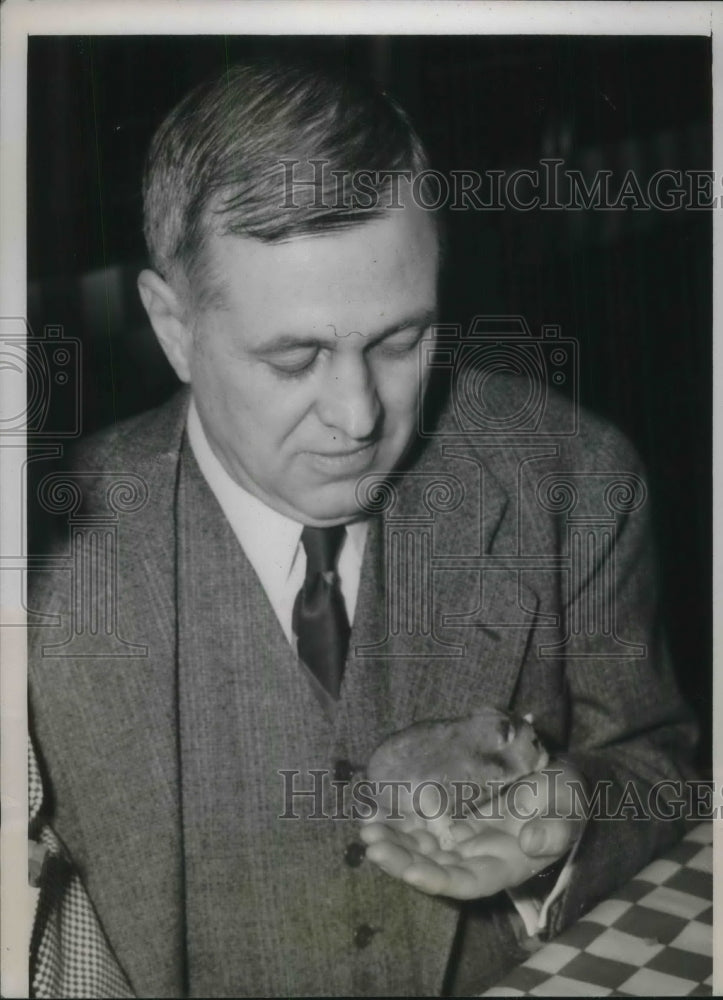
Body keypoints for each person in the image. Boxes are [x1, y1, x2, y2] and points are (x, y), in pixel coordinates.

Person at [28, 57, 697, 998]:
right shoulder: (36, 562)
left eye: (399, 340)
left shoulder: (575, 482)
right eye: (294, 356)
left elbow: (665, 765)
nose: (358, 415)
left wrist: (574, 816)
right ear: (172, 326)